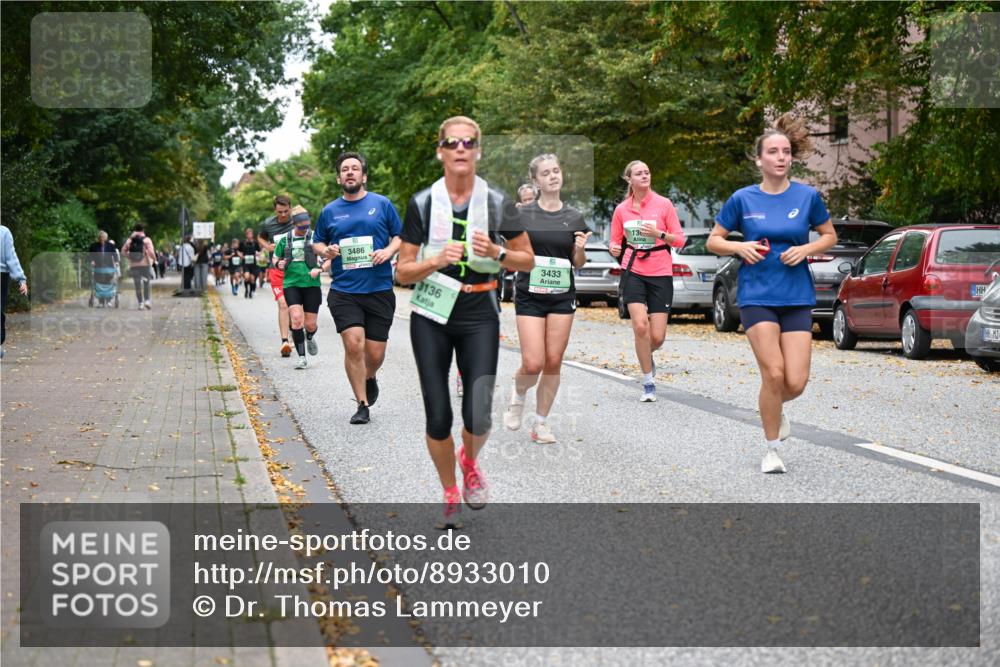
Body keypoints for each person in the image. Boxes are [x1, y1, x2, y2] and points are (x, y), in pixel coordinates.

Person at [396, 116, 534, 528]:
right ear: (440, 151)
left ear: (478, 151)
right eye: (452, 143)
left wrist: (498, 252)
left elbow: (527, 258)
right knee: (438, 415)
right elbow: (403, 271)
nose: (460, 149)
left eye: (468, 142)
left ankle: (469, 461)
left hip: (478, 312)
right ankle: (450, 491)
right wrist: (435, 260)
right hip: (431, 314)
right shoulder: (423, 203)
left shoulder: (497, 202)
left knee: (478, 415)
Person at [706, 113, 836, 474]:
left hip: (796, 295)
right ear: (759, 159)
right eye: (774, 152)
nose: (781, 157)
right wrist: (739, 247)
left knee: (796, 381)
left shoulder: (807, 196)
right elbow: (713, 240)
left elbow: (829, 235)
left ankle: (775, 407)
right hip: (756, 295)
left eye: (786, 151)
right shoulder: (743, 199)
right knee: (774, 373)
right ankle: (771, 449)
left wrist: (806, 250)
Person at [502, 154, 591, 444]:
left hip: (562, 295)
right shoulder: (522, 215)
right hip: (530, 294)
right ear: (536, 181)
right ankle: (518, 395)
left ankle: (541, 423)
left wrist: (579, 248)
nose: (553, 176)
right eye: (546, 173)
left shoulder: (574, 216)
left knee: (553, 360)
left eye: (556, 171)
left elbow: (578, 262)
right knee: (532, 363)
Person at [313, 152, 403, 424]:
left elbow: (400, 236)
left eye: (355, 168)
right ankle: (362, 404)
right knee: (354, 346)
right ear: (339, 177)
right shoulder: (330, 211)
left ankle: (370, 375)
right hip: (345, 290)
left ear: (363, 176)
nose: (350, 172)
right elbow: (317, 242)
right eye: (345, 169)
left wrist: (388, 251)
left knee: (374, 355)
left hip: (379, 288)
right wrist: (326, 250)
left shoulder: (382, 204)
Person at [609, 161, 685, 402]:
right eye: (639, 173)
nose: (644, 175)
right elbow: (615, 242)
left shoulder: (664, 204)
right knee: (640, 326)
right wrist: (614, 248)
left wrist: (659, 234)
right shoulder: (621, 210)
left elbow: (680, 240)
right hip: (633, 270)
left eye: (647, 172)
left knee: (657, 337)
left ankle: (645, 354)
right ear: (629, 179)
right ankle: (648, 383)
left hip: (660, 271)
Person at [275, 207, 329, 369]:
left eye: (307, 226)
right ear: (294, 224)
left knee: (310, 324)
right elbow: (276, 258)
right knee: (297, 320)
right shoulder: (285, 239)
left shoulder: (316, 239)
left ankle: (310, 336)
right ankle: (302, 358)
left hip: (312, 285)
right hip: (291, 284)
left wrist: (320, 269)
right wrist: (279, 263)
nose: (305, 229)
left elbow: (329, 258)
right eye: (301, 227)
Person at [258, 195, 295, 357]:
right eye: (280, 212)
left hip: (295, 269)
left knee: (294, 307)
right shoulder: (268, 223)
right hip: (276, 270)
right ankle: (284, 342)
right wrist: (267, 246)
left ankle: (295, 332)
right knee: (283, 304)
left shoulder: (296, 221)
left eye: (286, 211)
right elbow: (261, 237)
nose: (283, 215)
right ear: (275, 210)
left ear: (290, 208)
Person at [1, 225, 29, 359]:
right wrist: (21, 279)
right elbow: (11, 257)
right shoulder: (4, 231)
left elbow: (11, 257)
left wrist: (21, 279)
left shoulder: (4, 232)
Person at [123, 223, 157, 309]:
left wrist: (130, 257)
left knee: (137, 284)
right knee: (146, 282)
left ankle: (140, 303)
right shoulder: (147, 240)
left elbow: (123, 252)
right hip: (145, 264)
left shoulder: (130, 240)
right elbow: (151, 252)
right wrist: (154, 259)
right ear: (143, 230)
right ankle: (147, 301)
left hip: (134, 265)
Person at [89, 230, 120, 307]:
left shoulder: (110, 246)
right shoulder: (94, 246)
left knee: (108, 283)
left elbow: (115, 255)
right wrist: (92, 261)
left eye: (103, 237)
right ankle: (101, 302)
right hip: (98, 268)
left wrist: (116, 262)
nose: (101, 238)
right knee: (99, 284)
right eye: (100, 237)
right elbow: (90, 255)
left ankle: (108, 300)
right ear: (98, 238)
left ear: (106, 238)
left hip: (109, 267)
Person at [240, 227, 261, 299]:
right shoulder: (242, 243)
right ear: (246, 235)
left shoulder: (255, 243)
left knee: (252, 279)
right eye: (248, 234)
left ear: (252, 235)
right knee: (246, 277)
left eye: (250, 234)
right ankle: (246, 290)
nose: (249, 235)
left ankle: (250, 292)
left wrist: (258, 254)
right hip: (245, 263)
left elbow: (259, 251)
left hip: (253, 263)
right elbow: (239, 251)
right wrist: (241, 256)